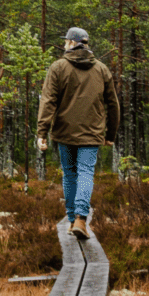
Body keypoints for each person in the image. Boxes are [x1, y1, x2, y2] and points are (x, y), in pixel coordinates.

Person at [36, 27, 119, 239]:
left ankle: (73, 219)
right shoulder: (101, 69)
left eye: (66, 42)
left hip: (64, 133)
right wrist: (110, 134)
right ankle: (81, 219)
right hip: (92, 134)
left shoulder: (58, 67)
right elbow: (113, 105)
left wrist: (42, 132)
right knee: (85, 172)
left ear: (73, 43)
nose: (64, 45)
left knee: (70, 174)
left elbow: (48, 101)